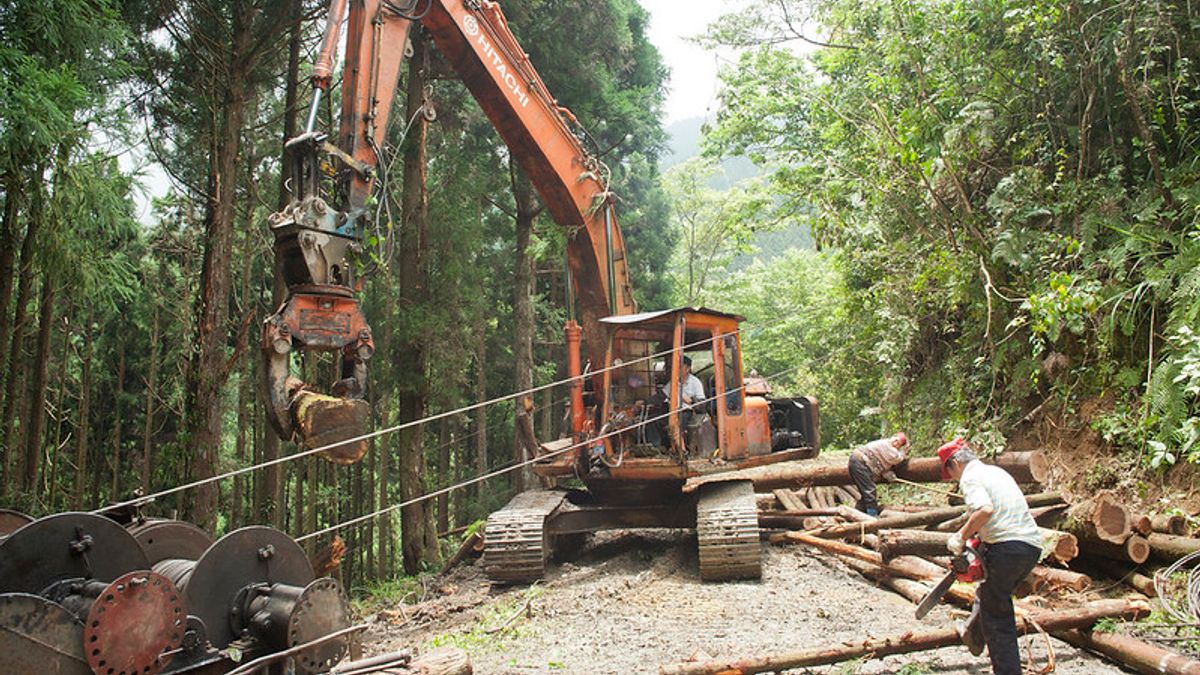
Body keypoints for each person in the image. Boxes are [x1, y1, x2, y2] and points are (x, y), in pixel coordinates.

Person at [939, 438, 1042, 675]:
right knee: (991, 592)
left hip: (1007, 549)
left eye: (950, 472)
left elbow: (985, 510)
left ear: (955, 464)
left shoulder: (970, 478)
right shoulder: (996, 472)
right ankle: (973, 634)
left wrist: (960, 537)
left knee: (998, 618)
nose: (952, 478)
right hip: (1030, 547)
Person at [847, 432, 909, 516]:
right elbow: (897, 458)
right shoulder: (886, 444)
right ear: (893, 437)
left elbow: (881, 462)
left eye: (898, 444)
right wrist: (903, 453)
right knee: (869, 491)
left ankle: (856, 514)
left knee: (866, 494)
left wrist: (886, 472)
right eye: (896, 440)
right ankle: (872, 516)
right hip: (860, 463)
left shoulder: (888, 448)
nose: (895, 444)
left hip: (860, 463)